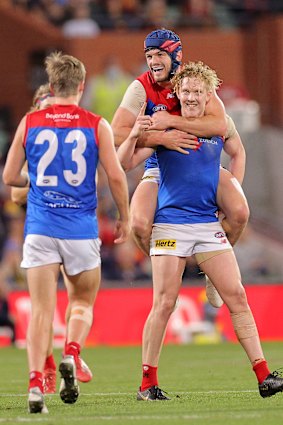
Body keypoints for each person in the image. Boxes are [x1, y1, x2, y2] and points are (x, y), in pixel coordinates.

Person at [117, 61, 283, 401]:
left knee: (237, 296)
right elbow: (124, 163)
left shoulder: (217, 125)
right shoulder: (166, 132)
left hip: (207, 224)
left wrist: (230, 188)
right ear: (177, 93)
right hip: (170, 224)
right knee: (164, 302)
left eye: (197, 91)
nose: (191, 96)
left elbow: (234, 145)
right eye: (186, 91)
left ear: (209, 95)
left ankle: (264, 375)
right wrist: (138, 133)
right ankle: (147, 384)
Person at [3, 51, 130, 414]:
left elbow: (10, 178)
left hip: (40, 228)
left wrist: (39, 182)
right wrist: (124, 215)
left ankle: (33, 387)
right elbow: (116, 176)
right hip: (80, 228)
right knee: (82, 302)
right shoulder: (95, 123)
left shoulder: (30, 122)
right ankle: (72, 354)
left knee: (42, 311)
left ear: (51, 85)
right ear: (82, 86)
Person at [111, 28, 249, 309]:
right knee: (138, 223)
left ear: (176, 56)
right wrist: (161, 138)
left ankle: (213, 269)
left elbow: (220, 127)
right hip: (159, 165)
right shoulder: (141, 87)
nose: (153, 62)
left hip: (203, 163)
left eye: (160, 54)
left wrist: (171, 123)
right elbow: (116, 134)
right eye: (149, 56)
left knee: (239, 212)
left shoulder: (196, 83)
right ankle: (163, 270)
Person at [11, 84, 94, 394]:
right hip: (49, 228)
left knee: (64, 302)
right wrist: (45, 183)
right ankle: (50, 361)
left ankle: (68, 358)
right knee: (49, 306)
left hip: (59, 229)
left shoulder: (54, 139)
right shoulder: (33, 142)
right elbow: (15, 191)